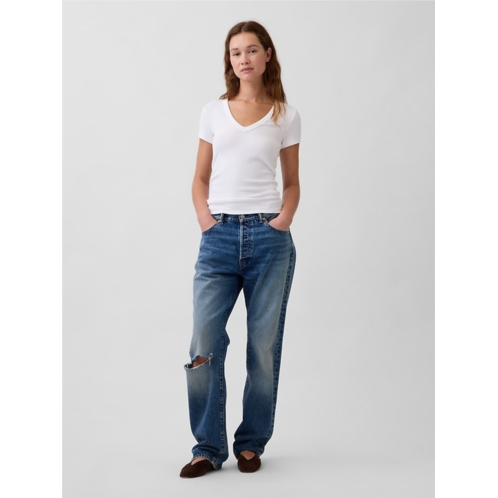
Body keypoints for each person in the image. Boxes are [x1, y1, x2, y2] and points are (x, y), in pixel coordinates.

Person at [180, 20, 302, 479]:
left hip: (270, 240)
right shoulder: (213, 111)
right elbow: (200, 177)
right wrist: (206, 220)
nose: (244, 59)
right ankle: (207, 447)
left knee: (263, 348)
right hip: (219, 237)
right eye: (236, 52)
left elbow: (292, 182)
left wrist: (283, 219)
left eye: (252, 50)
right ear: (229, 61)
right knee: (204, 343)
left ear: (267, 55)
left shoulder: (285, 115)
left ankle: (251, 443)